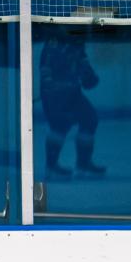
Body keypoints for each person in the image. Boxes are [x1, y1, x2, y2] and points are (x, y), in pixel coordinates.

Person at [40, 29, 105, 180]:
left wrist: (89, 76)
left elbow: (81, 60)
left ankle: (83, 164)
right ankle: (51, 167)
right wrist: (51, 90)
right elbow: (46, 68)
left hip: (72, 91)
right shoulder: (55, 41)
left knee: (90, 119)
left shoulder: (77, 39)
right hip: (55, 93)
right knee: (60, 125)